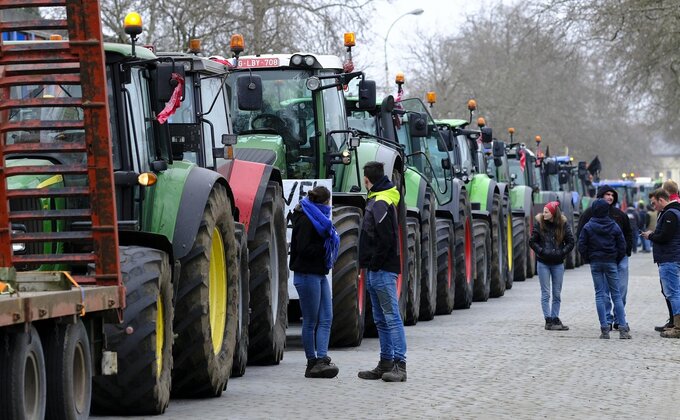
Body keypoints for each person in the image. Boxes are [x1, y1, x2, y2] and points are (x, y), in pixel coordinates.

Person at [357, 161, 407, 383]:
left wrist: (375, 263)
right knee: (381, 319)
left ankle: (399, 365)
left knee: (391, 318)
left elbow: (386, 239)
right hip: (375, 269)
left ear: (367, 180)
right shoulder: (377, 199)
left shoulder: (380, 202)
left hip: (382, 270)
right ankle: (386, 362)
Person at [289, 185, 340, 378]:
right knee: (310, 321)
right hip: (306, 274)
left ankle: (322, 358)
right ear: (325, 202)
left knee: (326, 317)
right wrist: (324, 248)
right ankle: (312, 362)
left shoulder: (319, 219)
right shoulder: (306, 220)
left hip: (319, 273)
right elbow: (303, 249)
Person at [576, 184, 633, 330]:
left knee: (621, 290)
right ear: (600, 196)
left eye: (612, 195)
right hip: (600, 259)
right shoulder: (588, 215)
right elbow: (581, 237)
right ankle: (607, 319)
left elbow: (627, 235)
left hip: (619, 258)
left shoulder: (619, 215)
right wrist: (588, 257)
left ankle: (619, 319)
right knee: (604, 292)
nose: (610, 197)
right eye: (607, 194)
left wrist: (624, 252)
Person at [529, 201, 574, 331]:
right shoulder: (539, 223)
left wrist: (561, 253)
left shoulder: (563, 224)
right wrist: (542, 251)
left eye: (546, 212)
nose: (544, 214)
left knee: (557, 293)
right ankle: (548, 320)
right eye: (544, 211)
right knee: (546, 293)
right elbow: (532, 241)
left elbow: (571, 242)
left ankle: (555, 318)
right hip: (543, 263)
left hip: (558, 264)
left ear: (553, 213)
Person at [642, 188, 680, 338]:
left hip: (669, 258)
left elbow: (665, 237)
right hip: (671, 257)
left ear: (661, 200)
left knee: (673, 292)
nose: (653, 206)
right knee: (673, 291)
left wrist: (650, 236)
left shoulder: (670, 213)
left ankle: (677, 328)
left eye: (654, 203)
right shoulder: (673, 211)